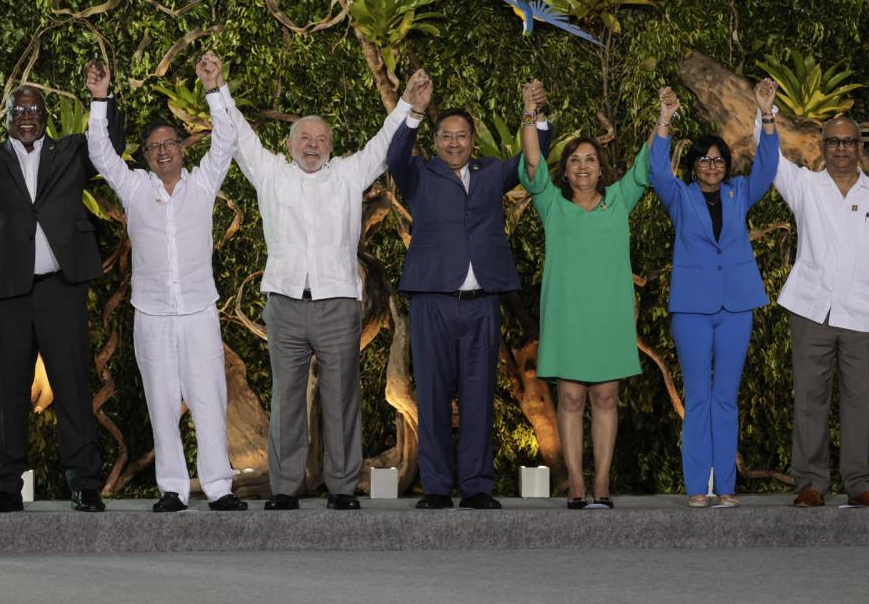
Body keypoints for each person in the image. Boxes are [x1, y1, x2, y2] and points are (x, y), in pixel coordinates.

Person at [224, 70, 427, 510]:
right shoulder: (270, 174)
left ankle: (341, 487)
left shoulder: (349, 174)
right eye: (304, 138)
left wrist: (408, 106)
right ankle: (284, 488)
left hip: (338, 306)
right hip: (285, 305)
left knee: (341, 399)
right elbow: (238, 135)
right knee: (287, 399)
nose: (312, 145)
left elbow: (383, 144)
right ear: (289, 145)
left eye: (320, 139)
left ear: (331, 147)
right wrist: (216, 89)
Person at [85, 52, 246, 513]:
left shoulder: (203, 183)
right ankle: (172, 489)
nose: (162, 152)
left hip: (198, 311)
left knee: (209, 400)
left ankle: (219, 487)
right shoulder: (135, 187)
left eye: (169, 143)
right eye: (153, 147)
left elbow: (227, 139)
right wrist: (100, 98)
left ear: (182, 147)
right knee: (161, 402)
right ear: (146, 157)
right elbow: (100, 153)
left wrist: (214, 88)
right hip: (152, 314)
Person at [0, 80, 125, 513]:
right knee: (7, 392)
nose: (26, 117)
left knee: (72, 386)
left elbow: (112, 146)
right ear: (7, 118)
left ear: (46, 116)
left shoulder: (71, 151)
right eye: (19, 110)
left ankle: (84, 484)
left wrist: (101, 98)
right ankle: (6, 488)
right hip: (7, 293)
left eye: (34, 110)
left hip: (61, 289)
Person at [385, 78, 551, 509]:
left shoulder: (491, 172)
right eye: (446, 136)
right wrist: (414, 111)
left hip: (482, 305)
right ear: (436, 140)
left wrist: (534, 113)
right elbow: (395, 154)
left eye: (461, 136)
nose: (454, 143)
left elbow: (534, 157)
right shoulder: (418, 174)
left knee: (479, 395)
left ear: (472, 141)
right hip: (432, 302)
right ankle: (437, 487)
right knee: (433, 396)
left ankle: (477, 486)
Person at [771, 111, 869, 507]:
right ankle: (810, 483)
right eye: (833, 141)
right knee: (809, 400)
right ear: (822, 146)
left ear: (860, 147)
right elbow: (771, 162)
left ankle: (861, 483)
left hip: (861, 315)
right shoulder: (805, 186)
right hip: (810, 310)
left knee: (861, 401)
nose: (840, 148)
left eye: (848, 141)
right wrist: (766, 114)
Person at [519, 80, 652, 509]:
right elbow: (532, 159)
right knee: (572, 398)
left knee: (606, 397)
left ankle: (603, 483)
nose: (582, 166)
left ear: (601, 169)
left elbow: (646, 162)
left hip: (609, 317)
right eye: (575, 159)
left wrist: (665, 120)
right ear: (564, 171)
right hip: (567, 316)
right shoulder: (551, 203)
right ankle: (576, 484)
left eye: (590, 159)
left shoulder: (620, 200)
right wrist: (529, 111)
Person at [649, 81, 779, 508]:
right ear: (693, 166)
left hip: (737, 305)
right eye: (704, 159)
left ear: (726, 165)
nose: (712, 165)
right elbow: (656, 170)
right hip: (691, 308)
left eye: (718, 159)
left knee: (725, 396)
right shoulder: (680, 197)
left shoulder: (739, 192)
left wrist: (767, 114)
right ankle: (695, 487)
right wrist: (665, 120)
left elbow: (767, 168)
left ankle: (725, 486)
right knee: (699, 397)